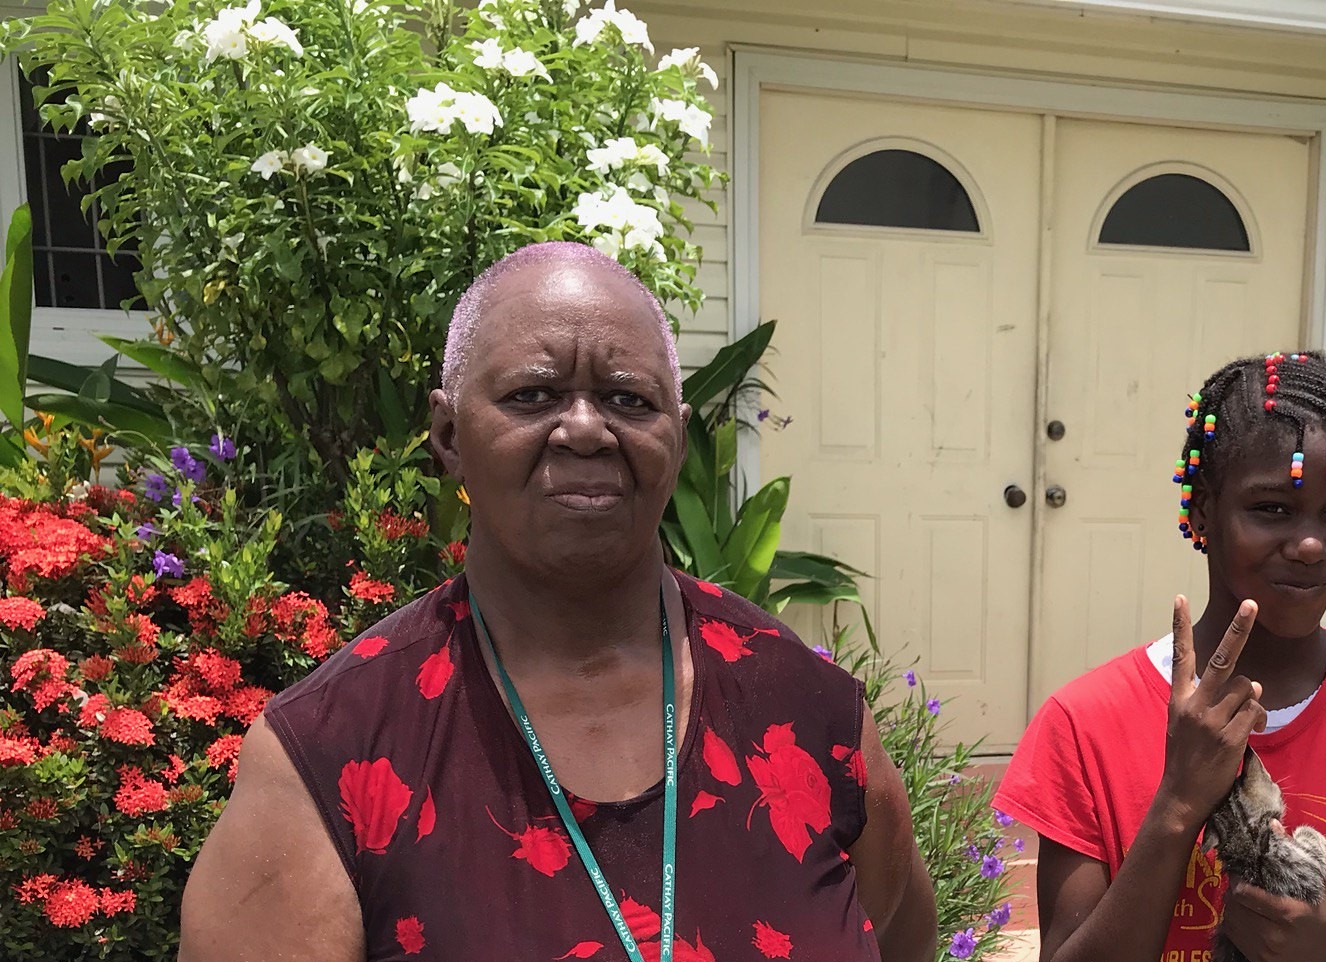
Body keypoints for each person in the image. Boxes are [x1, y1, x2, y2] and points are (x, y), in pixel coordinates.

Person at [181, 242, 936, 962]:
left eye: (629, 399)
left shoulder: (806, 712)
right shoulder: (333, 751)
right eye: (533, 395)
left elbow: (899, 936)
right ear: (448, 434)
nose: (585, 430)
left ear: (677, 438)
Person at [996, 351, 1326, 962]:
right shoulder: (1084, 724)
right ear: (1201, 510)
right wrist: (1178, 804)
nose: (1310, 543)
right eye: (1272, 508)